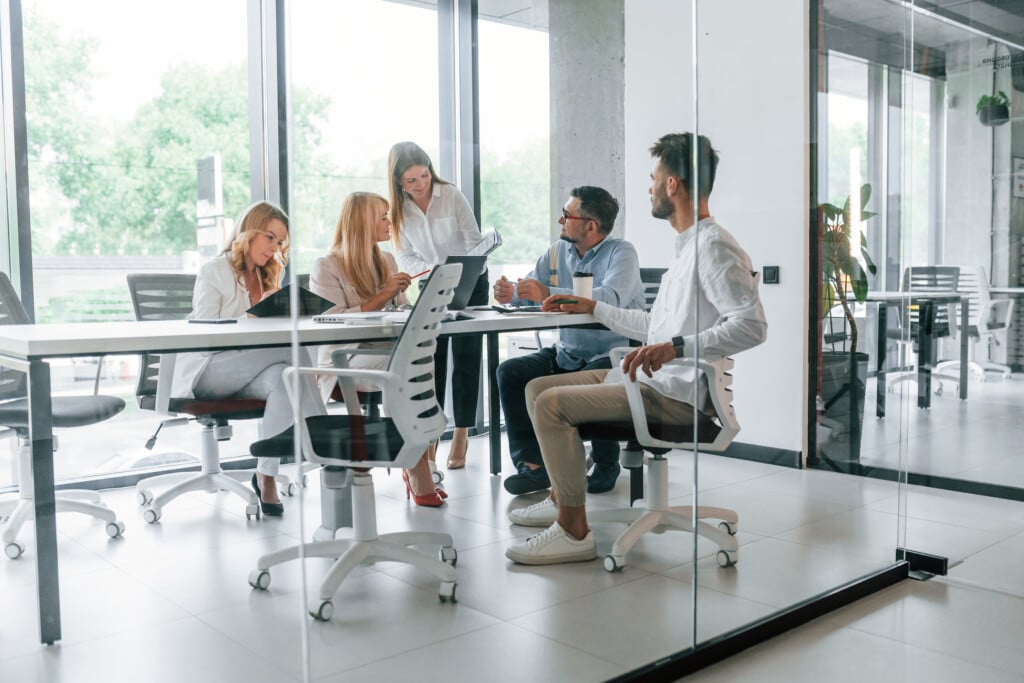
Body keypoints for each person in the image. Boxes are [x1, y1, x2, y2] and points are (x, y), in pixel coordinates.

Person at [504, 133, 768, 565]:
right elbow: (655, 326)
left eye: (653, 177)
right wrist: (596, 307)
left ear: (672, 185)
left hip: (674, 395)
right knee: (535, 387)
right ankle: (562, 497)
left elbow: (753, 326)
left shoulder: (714, 246)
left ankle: (573, 533)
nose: (648, 186)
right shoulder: (686, 248)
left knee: (551, 405)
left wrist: (675, 348)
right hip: (653, 380)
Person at [170, 201, 326, 517]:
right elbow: (204, 335)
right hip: (207, 371)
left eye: (280, 242)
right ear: (249, 232)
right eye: (269, 237)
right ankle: (327, 443)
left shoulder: (269, 274)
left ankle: (265, 474)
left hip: (250, 370)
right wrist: (252, 317)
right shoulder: (214, 270)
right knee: (290, 354)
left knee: (286, 374)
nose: (274, 248)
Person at [494, 186, 645, 496]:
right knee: (509, 372)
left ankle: (605, 462)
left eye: (567, 215)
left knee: (595, 378)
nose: (560, 220)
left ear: (590, 225)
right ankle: (532, 466)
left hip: (613, 352)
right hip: (568, 354)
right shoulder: (555, 252)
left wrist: (547, 293)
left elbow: (611, 298)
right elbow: (532, 296)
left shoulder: (622, 253)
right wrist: (513, 295)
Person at [309, 191, 445, 507]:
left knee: (420, 358)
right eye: (382, 216)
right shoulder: (326, 266)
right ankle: (418, 466)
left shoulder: (386, 259)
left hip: (384, 351)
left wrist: (408, 305)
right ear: (362, 223)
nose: (389, 222)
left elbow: (399, 311)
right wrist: (384, 295)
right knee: (407, 368)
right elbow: (330, 322)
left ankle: (419, 460)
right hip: (344, 358)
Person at [388, 141, 488, 472]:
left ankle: (461, 433)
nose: (421, 185)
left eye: (424, 175)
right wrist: (434, 270)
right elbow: (404, 255)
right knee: (432, 361)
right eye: (412, 181)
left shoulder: (451, 195)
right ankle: (432, 437)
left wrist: (460, 265)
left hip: (471, 282)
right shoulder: (398, 210)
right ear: (399, 183)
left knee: (467, 358)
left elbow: (474, 241)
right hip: (433, 285)